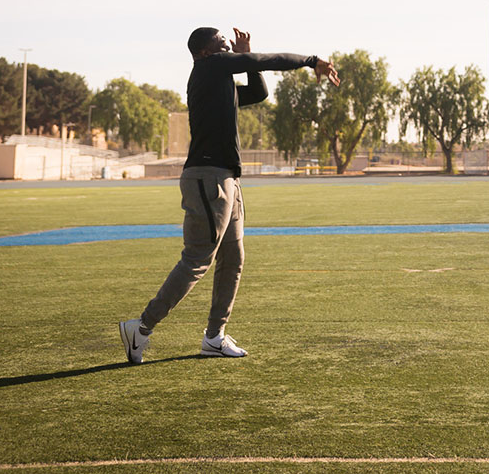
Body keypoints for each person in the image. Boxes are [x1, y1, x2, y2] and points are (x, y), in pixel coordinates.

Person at [119, 27, 339, 363]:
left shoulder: (220, 80)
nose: (228, 46)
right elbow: (267, 61)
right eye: (222, 44)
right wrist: (311, 61)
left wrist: (246, 59)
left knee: (233, 259)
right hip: (208, 179)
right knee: (197, 260)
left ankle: (214, 336)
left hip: (227, 180)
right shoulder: (209, 69)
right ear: (206, 53)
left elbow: (259, 92)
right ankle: (142, 326)